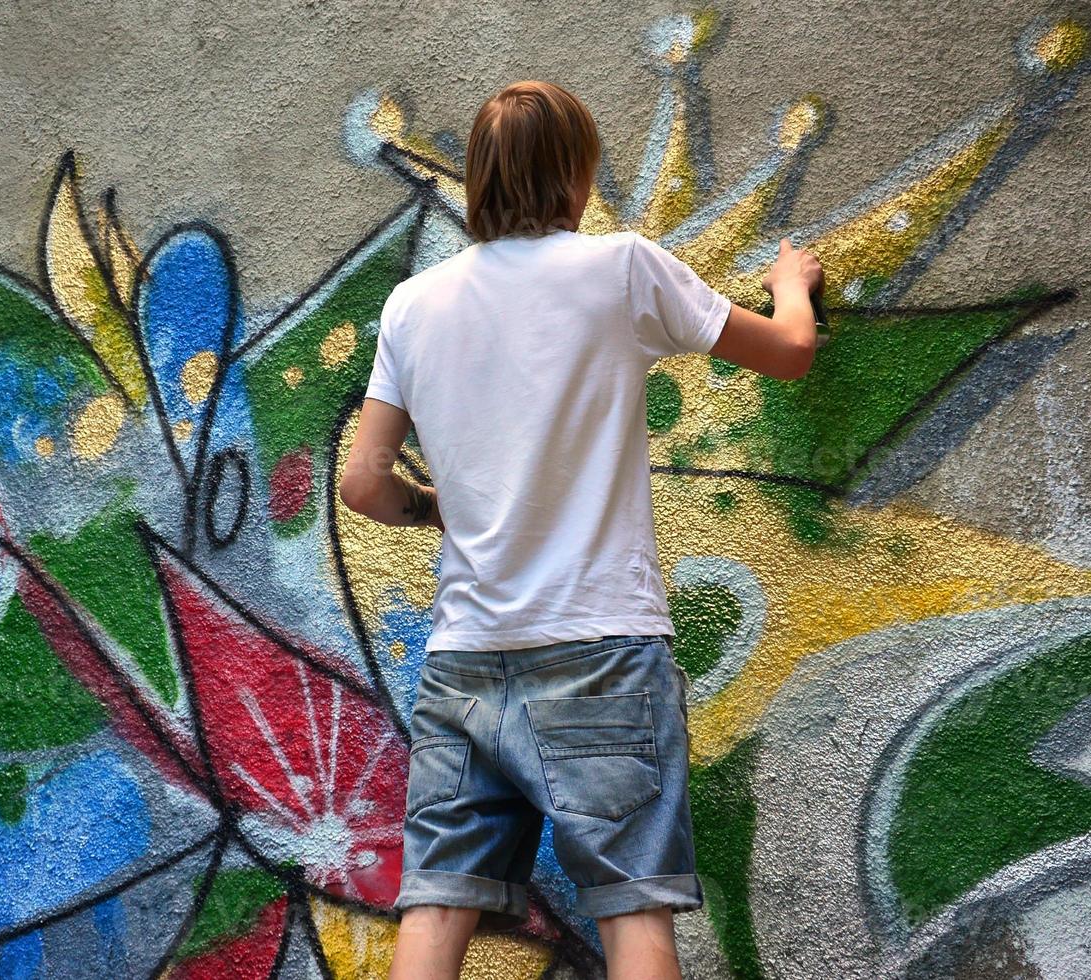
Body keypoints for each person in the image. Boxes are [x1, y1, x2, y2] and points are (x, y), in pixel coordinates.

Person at [338, 79, 823, 980]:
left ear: (479, 180)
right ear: (579, 172)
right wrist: (792, 286)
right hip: (601, 647)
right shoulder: (623, 269)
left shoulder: (414, 305)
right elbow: (790, 352)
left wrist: (442, 510)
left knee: (437, 907)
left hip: (466, 654)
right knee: (632, 912)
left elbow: (365, 485)